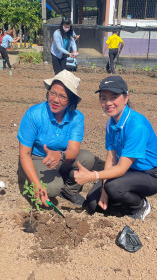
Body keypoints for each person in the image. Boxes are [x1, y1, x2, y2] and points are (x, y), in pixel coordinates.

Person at [74, 76, 157, 220]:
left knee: (114, 188)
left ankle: (140, 205)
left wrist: (93, 176)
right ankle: (123, 203)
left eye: (114, 97)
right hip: (129, 173)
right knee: (92, 204)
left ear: (126, 97)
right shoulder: (111, 123)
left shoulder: (136, 125)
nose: (108, 103)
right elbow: (111, 159)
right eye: (103, 98)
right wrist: (103, 190)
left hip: (149, 175)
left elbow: (121, 168)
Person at [17, 70, 94, 207]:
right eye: (53, 93)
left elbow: (73, 150)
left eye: (62, 96)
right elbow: (24, 154)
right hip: (36, 158)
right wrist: (36, 185)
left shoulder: (77, 117)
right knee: (53, 188)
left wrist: (60, 155)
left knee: (87, 158)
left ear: (71, 100)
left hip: (60, 158)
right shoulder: (34, 114)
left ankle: (69, 191)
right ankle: (30, 180)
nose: (55, 100)